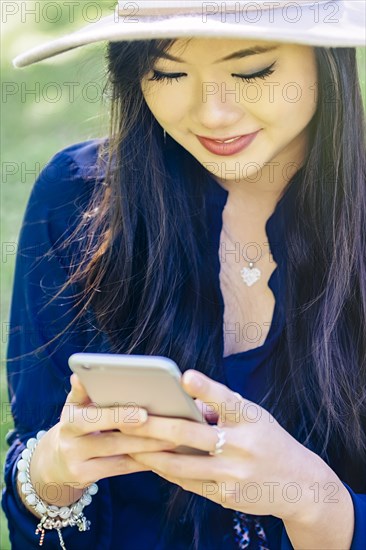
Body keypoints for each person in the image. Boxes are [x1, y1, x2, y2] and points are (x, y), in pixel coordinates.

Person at [2, 1, 366, 549]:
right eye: (168, 72)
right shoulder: (76, 201)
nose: (212, 114)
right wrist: (52, 474)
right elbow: (39, 503)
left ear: (326, 58)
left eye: (252, 71)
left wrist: (313, 500)